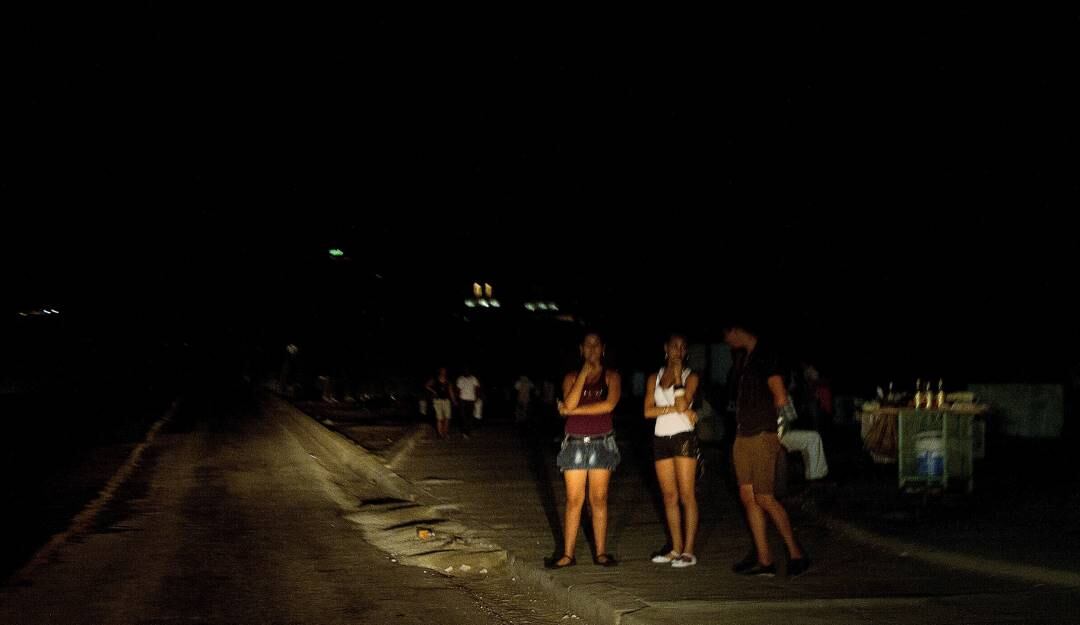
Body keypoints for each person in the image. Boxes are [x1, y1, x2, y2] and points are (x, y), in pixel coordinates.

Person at [722, 322, 810, 578]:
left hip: (762, 434)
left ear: (736, 330)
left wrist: (775, 430)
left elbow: (780, 396)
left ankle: (796, 554)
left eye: (726, 335)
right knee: (748, 497)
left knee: (764, 497)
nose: (726, 341)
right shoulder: (745, 358)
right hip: (743, 434)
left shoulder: (765, 355)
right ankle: (765, 560)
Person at [545, 332, 622, 569]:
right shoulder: (571, 377)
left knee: (598, 499)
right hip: (575, 442)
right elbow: (569, 402)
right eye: (587, 345)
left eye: (596, 344)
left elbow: (608, 405)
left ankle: (601, 552)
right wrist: (584, 375)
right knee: (573, 499)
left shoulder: (612, 376)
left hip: (602, 442)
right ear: (581, 350)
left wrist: (571, 411)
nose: (592, 349)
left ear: (603, 349)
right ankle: (567, 554)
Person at [644, 334, 701, 568]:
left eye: (683, 346)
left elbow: (682, 403)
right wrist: (678, 409)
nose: (678, 350)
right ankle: (675, 547)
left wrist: (678, 377)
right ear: (665, 348)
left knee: (687, 494)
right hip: (661, 437)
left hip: (683, 437)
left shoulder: (691, 376)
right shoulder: (654, 377)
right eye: (674, 346)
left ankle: (688, 551)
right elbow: (647, 412)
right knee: (669, 496)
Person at [425, 367, 457, 440]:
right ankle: (440, 434)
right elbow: (427, 385)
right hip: (437, 401)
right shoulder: (435, 379)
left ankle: (445, 433)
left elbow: (451, 392)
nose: (443, 372)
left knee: (447, 417)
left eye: (445, 371)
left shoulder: (448, 381)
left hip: (446, 401)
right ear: (439, 371)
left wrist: (454, 401)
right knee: (439, 418)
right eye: (442, 371)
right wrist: (433, 391)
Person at [455, 367, 481, 438]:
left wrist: (477, 397)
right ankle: (464, 431)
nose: (466, 371)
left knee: (469, 416)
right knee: (463, 416)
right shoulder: (460, 379)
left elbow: (477, 388)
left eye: (468, 370)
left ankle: (467, 432)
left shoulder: (473, 378)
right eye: (465, 370)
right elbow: (458, 390)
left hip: (471, 399)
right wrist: (457, 399)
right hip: (462, 399)